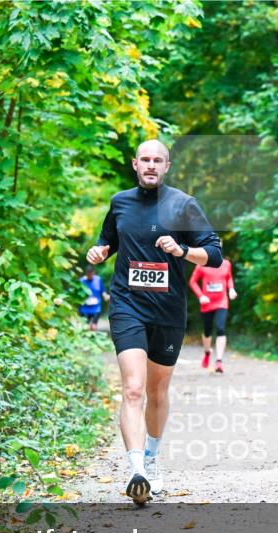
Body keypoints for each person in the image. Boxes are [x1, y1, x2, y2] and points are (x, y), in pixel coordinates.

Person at [86, 139, 223, 505]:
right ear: (135, 164)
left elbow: (214, 254)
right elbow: (107, 242)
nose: (150, 165)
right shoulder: (120, 202)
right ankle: (136, 470)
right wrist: (99, 251)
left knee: (157, 391)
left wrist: (181, 251)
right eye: (144, 159)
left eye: (157, 160)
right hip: (128, 305)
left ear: (167, 166)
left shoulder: (184, 205)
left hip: (168, 310)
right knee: (133, 387)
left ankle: (153, 457)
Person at [189, 257, 237, 373]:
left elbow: (229, 277)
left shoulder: (226, 263)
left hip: (222, 301)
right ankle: (207, 352)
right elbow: (192, 282)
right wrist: (201, 296)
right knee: (207, 331)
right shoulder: (201, 264)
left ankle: (219, 361)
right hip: (207, 303)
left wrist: (231, 289)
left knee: (221, 328)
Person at [79, 265, 109, 332]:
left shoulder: (98, 279)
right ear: (86, 273)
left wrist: (105, 296)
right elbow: (77, 294)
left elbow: (102, 291)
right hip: (85, 308)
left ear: (93, 273)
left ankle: (93, 339)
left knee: (94, 326)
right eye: (88, 274)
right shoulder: (81, 281)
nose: (90, 276)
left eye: (91, 274)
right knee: (85, 327)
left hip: (96, 308)